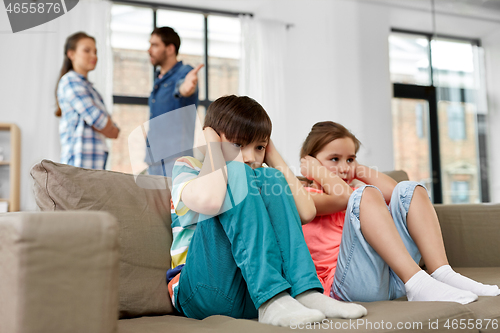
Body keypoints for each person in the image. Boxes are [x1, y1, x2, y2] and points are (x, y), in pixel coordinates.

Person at [167, 96, 367, 327]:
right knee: (236, 171)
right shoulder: (188, 167)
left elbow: (306, 212)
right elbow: (211, 201)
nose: (251, 157)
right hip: (200, 293)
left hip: (250, 295)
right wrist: (213, 147)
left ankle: (305, 293)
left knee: (271, 176)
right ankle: (271, 299)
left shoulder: (259, 175)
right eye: (237, 145)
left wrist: (272, 155)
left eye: (259, 147)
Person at [299, 121, 500, 304]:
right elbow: (341, 197)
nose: (344, 168)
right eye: (334, 159)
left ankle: (441, 273)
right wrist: (318, 171)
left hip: (393, 281)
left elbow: (396, 192)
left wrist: (355, 168)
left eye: (350, 159)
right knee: (364, 195)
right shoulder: (304, 196)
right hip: (349, 287)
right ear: (310, 162)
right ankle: (418, 282)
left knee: (410, 189)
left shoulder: (356, 192)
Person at [56, 32, 119, 170]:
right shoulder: (70, 80)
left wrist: (109, 127)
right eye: (87, 50)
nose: (94, 56)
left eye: (95, 52)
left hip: (93, 164)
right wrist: (108, 126)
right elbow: (99, 120)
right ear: (71, 54)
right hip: (78, 165)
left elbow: (114, 131)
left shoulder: (91, 90)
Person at [147, 27, 203, 176]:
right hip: (154, 157)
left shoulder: (184, 72)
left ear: (170, 49)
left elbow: (182, 88)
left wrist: (187, 87)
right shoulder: (159, 78)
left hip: (175, 159)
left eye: (155, 45)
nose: (149, 50)